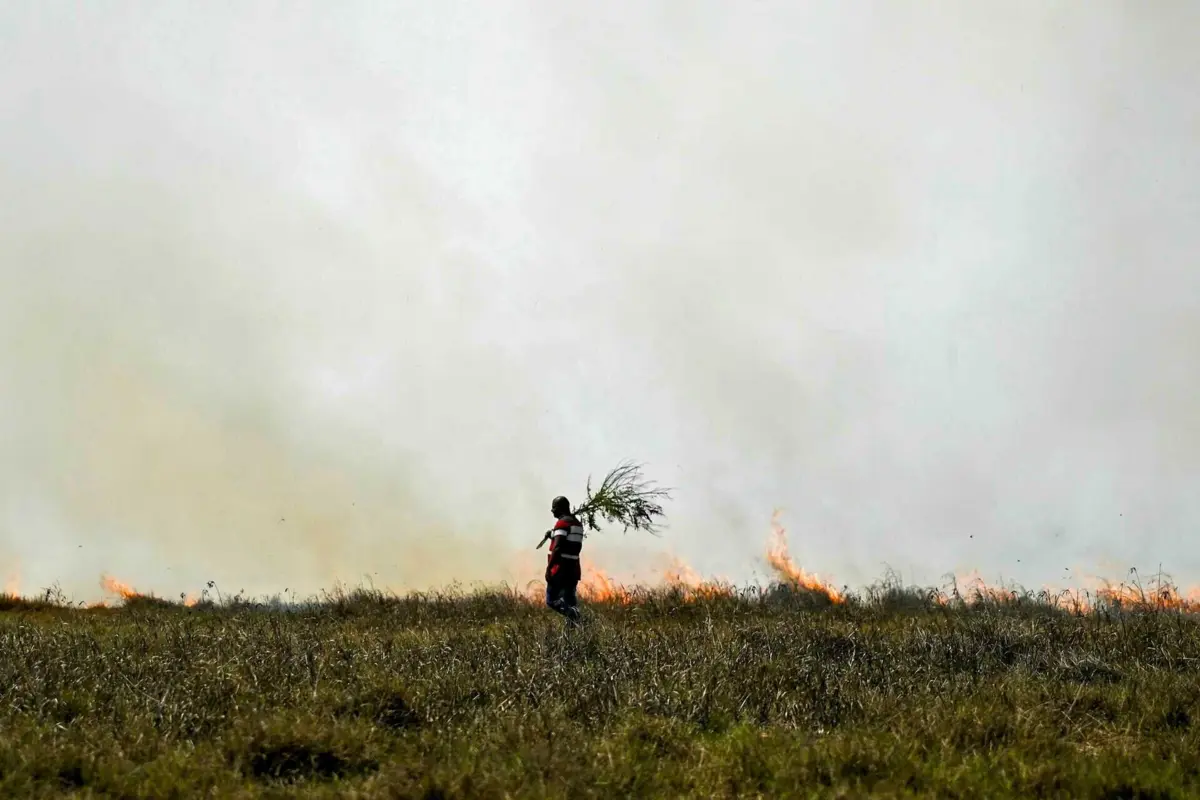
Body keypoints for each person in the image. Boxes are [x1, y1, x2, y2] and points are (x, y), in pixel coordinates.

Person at [544, 495, 584, 624]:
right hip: (573, 570)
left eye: (554, 507)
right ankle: (574, 635)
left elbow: (558, 547)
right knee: (569, 601)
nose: (552, 510)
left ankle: (575, 617)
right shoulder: (577, 524)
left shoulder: (561, 524)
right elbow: (568, 543)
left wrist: (549, 568)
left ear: (560, 508)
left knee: (551, 600)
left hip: (560, 569)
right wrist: (552, 534)